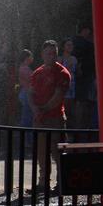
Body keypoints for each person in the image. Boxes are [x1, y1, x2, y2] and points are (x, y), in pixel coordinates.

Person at [29, 40, 71, 194]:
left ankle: (61, 184)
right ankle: (43, 183)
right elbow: (31, 94)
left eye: (54, 53)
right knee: (41, 153)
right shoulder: (37, 72)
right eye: (48, 53)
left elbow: (58, 97)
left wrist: (41, 110)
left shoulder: (62, 73)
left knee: (58, 153)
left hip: (55, 119)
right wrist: (35, 110)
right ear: (42, 54)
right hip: (40, 119)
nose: (51, 56)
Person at [57, 38, 78, 127]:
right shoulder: (59, 58)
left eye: (71, 45)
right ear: (63, 47)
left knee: (71, 110)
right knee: (62, 109)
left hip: (72, 86)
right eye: (68, 45)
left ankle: (70, 132)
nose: (70, 47)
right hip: (62, 86)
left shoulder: (74, 58)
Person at [17, 49, 34, 127]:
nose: (32, 58)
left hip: (24, 92)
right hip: (26, 93)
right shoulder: (25, 69)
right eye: (31, 56)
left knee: (27, 114)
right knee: (27, 116)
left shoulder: (23, 67)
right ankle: (26, 135)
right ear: (27, 58)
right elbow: (32, 80)